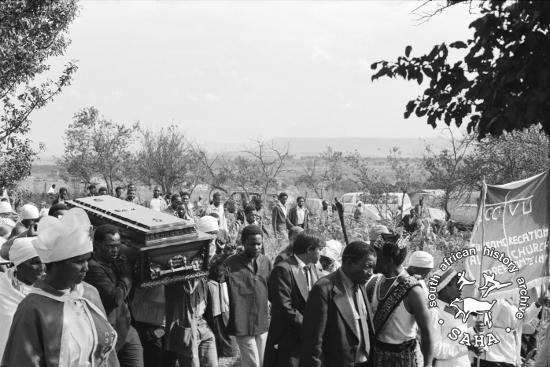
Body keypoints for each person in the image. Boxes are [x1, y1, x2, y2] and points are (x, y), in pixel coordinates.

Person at [1, 208, 119, 367]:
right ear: (54, 265)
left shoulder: (88, 295)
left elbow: (106, 354)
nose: (86, 268)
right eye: (78, 261)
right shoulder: (33, 309)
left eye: (87, 260)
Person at [299, 241, 376, 367]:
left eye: (373, 267)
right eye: (368, 266)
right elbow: (313, 341)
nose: (371, 272)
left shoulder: (360, 284)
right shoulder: (324, 288)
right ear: (349, 263)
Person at [367, 233, 434, 367]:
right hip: (377, 357)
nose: (372, 260)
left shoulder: (414, 291)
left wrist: (427, 364)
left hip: (404, 359)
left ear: (388, 260)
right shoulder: (373, 283)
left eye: (376, 256)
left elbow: (426, 332)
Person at [85, 224, 143, 367]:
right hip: (107, 332)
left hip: (126, 327)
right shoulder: (92, 268)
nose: (115, 250)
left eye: (117, 245)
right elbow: (115, 298)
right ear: (97, 245)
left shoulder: (114, 262)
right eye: (110, 246)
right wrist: (126, 277)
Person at [265, 231, 324, 367]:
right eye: (319, 250)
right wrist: (309, 327)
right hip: (289, 336)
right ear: (309, 249)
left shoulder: (313, 267)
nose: (321, 254)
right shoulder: (283, 270)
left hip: (307, 337)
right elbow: (284, 307)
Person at [224, 225, 273, 367]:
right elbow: (217, 278)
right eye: (252, 244)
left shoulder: (266, 261)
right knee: (252, 362)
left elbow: (271, 289)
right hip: (242, 319)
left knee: (264, 360)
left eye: (259, 244)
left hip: (261, 318)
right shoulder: (231, 263)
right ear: (243, 243)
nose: (256, 247)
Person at [0, 238, 43, 359]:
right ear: (19, 264)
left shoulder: (52, 290)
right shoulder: (3, 286)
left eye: (45, 261)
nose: (42, 267)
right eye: (36, 262)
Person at [428, 268, 482, 367]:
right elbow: (436, 349)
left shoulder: (456, 309)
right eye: (457, 285)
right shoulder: (434, 312)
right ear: (445, 287)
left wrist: (474, 330)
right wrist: (467, 348)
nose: (461, 288)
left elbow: (460, 336)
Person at [165, 276, 218, 367]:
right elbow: (188, 288)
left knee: (212, 363)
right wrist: (199, 270)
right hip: (187, 326)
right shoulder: (177, 275)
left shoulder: (200, 275)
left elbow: (219, 276)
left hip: (202, 323)